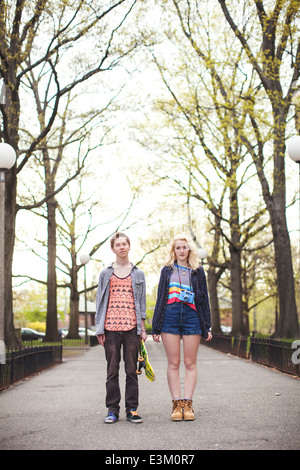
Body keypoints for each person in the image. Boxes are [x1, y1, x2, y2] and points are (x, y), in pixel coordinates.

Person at [152, 234, 212, 421]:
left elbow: (203, 300)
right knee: (173, 363)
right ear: (174, 250)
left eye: (184, 247)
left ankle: (188, 403)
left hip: (192, 317)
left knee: (190, 363)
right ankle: (177, 405)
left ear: (189, 250)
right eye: (178, 248)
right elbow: (161, 297)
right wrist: (156, 326)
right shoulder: (167, 271)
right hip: (170, 316)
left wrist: (207, 325)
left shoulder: (198, 271)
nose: (181, 251)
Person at [95, 232, 147, 424]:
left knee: (132, 370)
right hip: (110, 328)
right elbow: (100, 302)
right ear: (113, 248)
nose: (122, 247)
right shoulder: (105, 273)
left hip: (131, 329)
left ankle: (132, 409)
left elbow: (141, 302)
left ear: (129, 246)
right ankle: (112, 410)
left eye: (125, 244)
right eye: (118, 245)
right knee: (112, 370)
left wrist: (142, 328)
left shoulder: (138, 273)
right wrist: (99, 329)